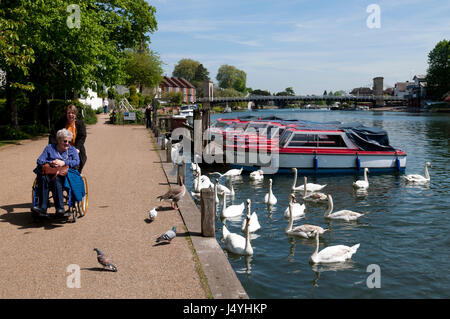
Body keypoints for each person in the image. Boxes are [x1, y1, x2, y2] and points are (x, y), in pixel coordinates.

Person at [32, 129, 80, 218]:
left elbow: (77, 162)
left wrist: (64, 163)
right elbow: (39, 160)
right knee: (42, 178)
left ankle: (60, 209)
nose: (67, 143)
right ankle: (42, 208)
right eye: (65, 141)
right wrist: (51, 162)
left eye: (69, 141)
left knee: (56, 180)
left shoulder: (72, 150)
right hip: (49, 172)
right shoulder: (49, 148)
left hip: (62, 175)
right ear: (58, 140)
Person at [49, 104, 87, 172]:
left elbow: (83, 136)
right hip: (62, 148)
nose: (70, 115)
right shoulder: (60, 123)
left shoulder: (80, 124)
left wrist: (77, 148)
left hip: (75, 148)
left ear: (75, 114)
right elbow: (52, 135)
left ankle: (76, 175)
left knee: (78, 162)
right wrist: (54, 147)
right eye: (68, 113)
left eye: (72, 113)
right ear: (66, 114)